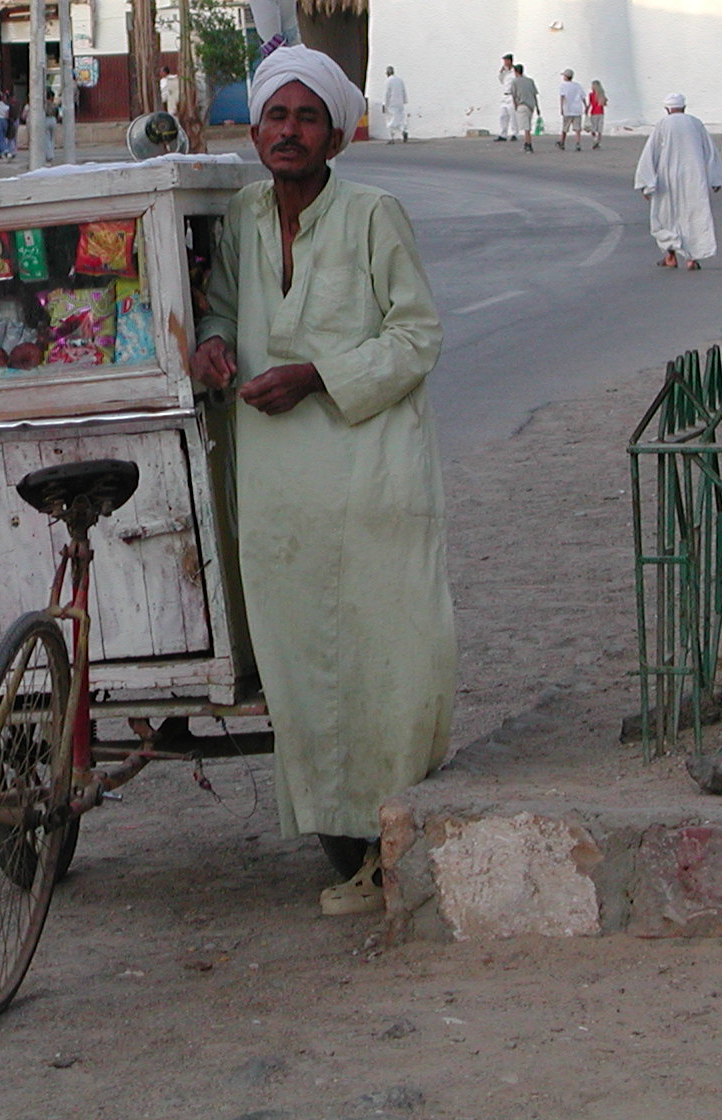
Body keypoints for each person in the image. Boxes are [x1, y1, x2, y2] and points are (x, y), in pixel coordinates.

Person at [190, 45, 456, 918]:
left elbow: (416, 338)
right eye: (277, 116)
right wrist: (219, 344)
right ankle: (345, 854)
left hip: (370, 474)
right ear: (256, 128)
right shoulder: (241, 218)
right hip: (279, 492)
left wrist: (314, 375)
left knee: (385, 659)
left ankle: (390, 850)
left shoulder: (376, 214)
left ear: (336, 134)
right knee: (303, 672)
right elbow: (225, 304)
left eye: (308, 118)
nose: (290, 132)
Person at [634, 92, 722, 269]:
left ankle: (671, 256)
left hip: (668, 177)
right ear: (684, 107)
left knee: (666, 216)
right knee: (693, 215)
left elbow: (651, 153)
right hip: (694, 177)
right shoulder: (695, 123)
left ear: (667, 109)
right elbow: (710, 151)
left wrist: (646, 183)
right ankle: (691, 258)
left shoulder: (663, 124)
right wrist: (715, 178)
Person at [510, 64, 540, 153]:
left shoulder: (515, 81)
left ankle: (528, 144)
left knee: (526, 127)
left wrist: (515, 105)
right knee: (528, 124)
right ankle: (527, 143)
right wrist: (538, 107)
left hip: (522, 105)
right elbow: (534, 94)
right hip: (531, 105)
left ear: (516, 72)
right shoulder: (530, 81)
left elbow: (513, 95)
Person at [555, 69, 587, 151]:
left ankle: (562, 142)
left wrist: (561, 108)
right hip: (577, 109)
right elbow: (583, 96)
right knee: (577, 128)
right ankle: (578, 143)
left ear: (566, 77)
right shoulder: (577, 85)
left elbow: (562, 97)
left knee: (565, 127)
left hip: (568, 109)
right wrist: (585, 105)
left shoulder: (563, 86)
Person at [382, 65, 410, 143]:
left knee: (390, 121)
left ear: (387, 73)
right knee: (400, 119)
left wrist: (385, 104)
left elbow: (387, 94)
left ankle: (391, 138)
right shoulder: (400, 80)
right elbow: (403, 91)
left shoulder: (388, 81)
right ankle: (404, 130)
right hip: (400, 103)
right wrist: (404, 101)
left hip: (391, 103)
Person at [494, 54, 517, 142]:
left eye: (506, 60)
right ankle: (503, 134)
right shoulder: (505, 72)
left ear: (510, 61)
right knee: (503, 115)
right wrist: (501, 72)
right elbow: (501, 80)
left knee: (513, 115)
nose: (505, 63)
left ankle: (515, 133)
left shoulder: (515, 71)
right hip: (505, 95)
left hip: (512, 95)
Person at [587, 79, 608, 149]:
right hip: (601, 112)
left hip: (594, 112)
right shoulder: (602, 95)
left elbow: (590, 104)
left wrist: (586, 110)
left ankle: (595, 139)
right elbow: (604, 104)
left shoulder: (591, 95)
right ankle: (599, 142)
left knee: (593, 128)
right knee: (599, 128)